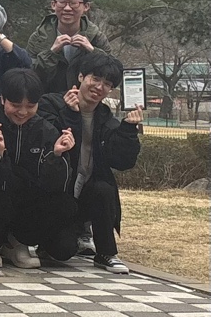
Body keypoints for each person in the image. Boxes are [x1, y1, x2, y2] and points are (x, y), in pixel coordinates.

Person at [35, 52, 142, 274]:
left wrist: (128, 130)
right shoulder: (51, 104)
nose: (99, 87)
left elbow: (123, 162)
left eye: (107, 84)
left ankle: (106, 253)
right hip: (54, 193)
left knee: (104, 188)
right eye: (96, 78)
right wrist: (71, 115)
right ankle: (47, 239)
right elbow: (50, 143)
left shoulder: (105, 118)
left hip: (86, 193)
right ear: (81, 76)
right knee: (62, 250)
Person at [0, 68, 77, 269]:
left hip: (25, 206)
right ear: (2, 99)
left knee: (65, 205)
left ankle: (17, 243)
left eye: (30, 106)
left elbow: (55, 186)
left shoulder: (46, 130)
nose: (22, 112)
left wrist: (57, 155)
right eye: (15, 105)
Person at [30, 0, 112, 94]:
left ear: (86, 6)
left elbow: (112, 74)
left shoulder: (96, 37)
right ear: (53, 5)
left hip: (86, 102)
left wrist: (92, 51)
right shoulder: (39, 38)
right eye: (62, 2)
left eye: (74, 3)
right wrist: (51, 53)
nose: (67, 8)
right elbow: (30, 77)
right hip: (47, 101)